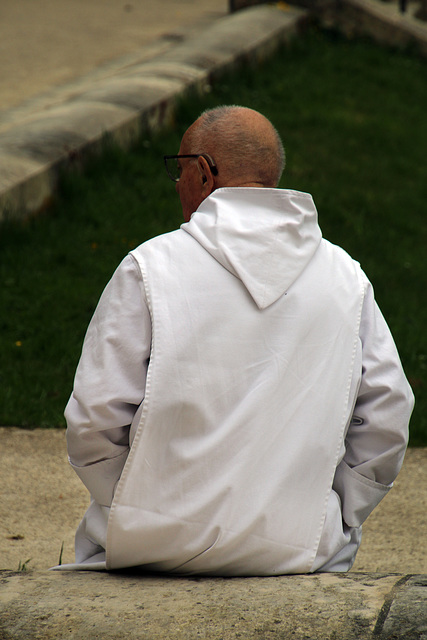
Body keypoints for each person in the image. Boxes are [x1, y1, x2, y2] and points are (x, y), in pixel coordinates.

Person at [55, 106, 414, 574]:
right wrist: (331, 516)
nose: (177, 184)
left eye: (178, 169)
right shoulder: (345, 277)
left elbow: (93, 421)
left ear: (203, 173)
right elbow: (387, 415)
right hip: (302, 548)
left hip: (150, 545)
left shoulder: (149, 268)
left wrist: (144, 509)